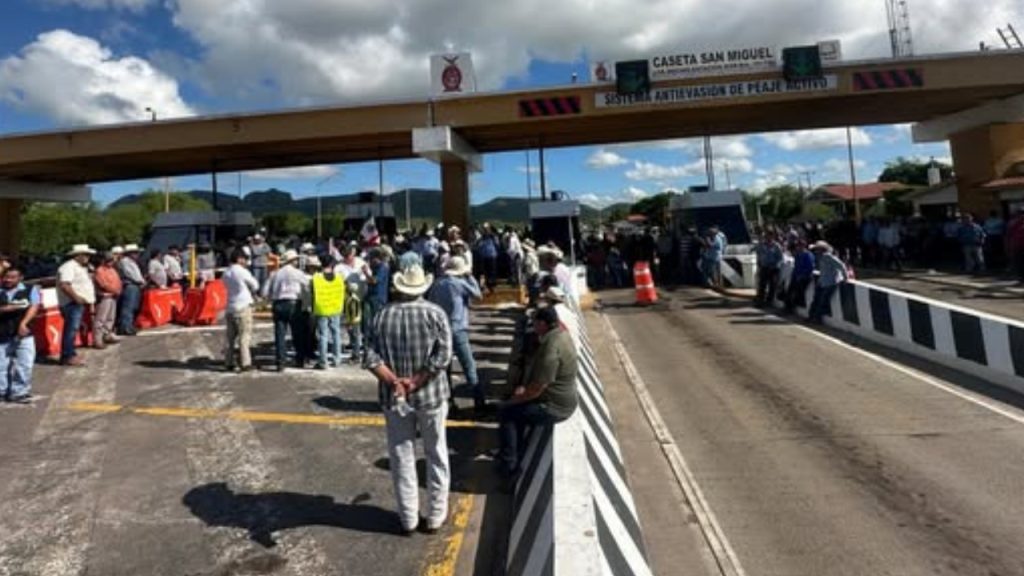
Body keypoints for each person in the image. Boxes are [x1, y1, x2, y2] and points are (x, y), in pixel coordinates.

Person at [363, 264, 452, 535]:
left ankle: (408, 519)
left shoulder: (381, 316)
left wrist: (395, 382)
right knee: (436, 454)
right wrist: (415, 381)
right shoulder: (435, 314)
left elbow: (369, 357)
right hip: (431, 395)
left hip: (394, 397)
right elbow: (443, 357)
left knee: (401, 456)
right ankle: (436, 515)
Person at [496, 306, 578, 485]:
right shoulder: (561, 333)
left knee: (507, 414)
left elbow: (537, 389)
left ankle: (509, 469)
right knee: (515, 410)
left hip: (554, 407)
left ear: (542, 324)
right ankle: (515, 453)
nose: (533, 326)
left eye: (535, 323)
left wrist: (513, 400)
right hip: (559, 399)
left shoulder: (550, 349)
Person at [428, 256, 485, 411]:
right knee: (469, 366)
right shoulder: (460, 284)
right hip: (458, 328)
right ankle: (479, 403)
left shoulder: (437, 284)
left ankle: (449, 402)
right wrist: (470, 276)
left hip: (440, 330)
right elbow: (478, 295)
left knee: (444, 368)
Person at [263, 250, 308, 371]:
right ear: (293, 260)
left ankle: (280, 362)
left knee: (280, 334)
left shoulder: (275, 274)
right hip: (294, 303)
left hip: (278, 303)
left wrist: (270, 298)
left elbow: (265, 291)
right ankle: (300, 359)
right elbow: (307, 285)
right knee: (297, 333)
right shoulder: (298, 273)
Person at [1, 265, 41, 403]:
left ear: (20, 278)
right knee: (1, 365)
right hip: (3, 333)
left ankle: (20, 392)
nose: (8, 280)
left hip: (24, 334)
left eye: (12, 277)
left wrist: (24, 323)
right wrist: (10, 308)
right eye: (6, 277)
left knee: (24, 364)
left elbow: (34, 306)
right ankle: (2, 391)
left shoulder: (30, 289)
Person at [57, 244, 97, 367]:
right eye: (84, 254)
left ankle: (71, 353)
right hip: (71, 303)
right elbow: (65, 285)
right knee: (71, 330)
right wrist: (77, 298)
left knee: (73, 329)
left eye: (88, 255)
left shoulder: (81, 267)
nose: (87, 257)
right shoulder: (68, 267)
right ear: (77, 255)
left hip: (77, 302)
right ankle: (67, 355)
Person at [223, 249, 259, 372]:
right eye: (244, 258)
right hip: (243, 305)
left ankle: (228, 361)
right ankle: (245, 362)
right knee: (244, 336)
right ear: (239, 259)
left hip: (230, 306)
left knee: (230, 337)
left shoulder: (226, 272)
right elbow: (255, 285)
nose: (245, 261)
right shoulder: (242, 271)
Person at [311, 256, 346, 370]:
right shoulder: (339, 278)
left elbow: (312, 292)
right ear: (332, 265)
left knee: (323, 335)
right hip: (335, 308)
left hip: (322, 309)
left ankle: (323, 361)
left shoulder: (316, 278)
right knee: (336, 334)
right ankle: (337, 359)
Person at [808, 241, 849, 324]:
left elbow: (841, 265)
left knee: (822, 301)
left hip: (830, 283)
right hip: (822, 282)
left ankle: (817, 318)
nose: (815, 251)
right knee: (816, 300)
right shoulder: (820, 258)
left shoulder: (828, 257)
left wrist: (845, 277)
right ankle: (812, 316)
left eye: (816, 250)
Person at [92, 251, 123, 349]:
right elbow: (103, 284)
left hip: (113, 296)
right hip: (105, 296)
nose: (111, 262)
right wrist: (115, 290)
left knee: (111, 317)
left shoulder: (112, 270)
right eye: (109, 260)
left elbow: (118, 281)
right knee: (101, 318)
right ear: (103, 260)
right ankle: (98, 339)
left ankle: (108, 335)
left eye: (111, 260)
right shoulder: (99, 270)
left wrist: (118, 289)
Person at [363, 248, 390, 349]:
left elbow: (374, 281)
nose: (369, 261)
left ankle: (378, 345)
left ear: (377, 258)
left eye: (371, 259)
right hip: (370, 296)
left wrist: (366, 273)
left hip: (378, 298)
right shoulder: (374, 267)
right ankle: (368, 344)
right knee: (367, 322)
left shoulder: (383, 267)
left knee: (377, 322)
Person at [117, 244, 145, 335]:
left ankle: (129, 325)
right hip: (130, 285)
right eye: (135, 253)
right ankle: (125, 327)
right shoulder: (125, 261)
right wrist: (140, 281)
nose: (137, 255)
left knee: (133, 307)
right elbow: (130, 274)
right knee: (128, 307)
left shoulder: (132, 262)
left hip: (135, 285)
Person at [785, 240, 815, 313]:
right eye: (797, 246)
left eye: (800, 246)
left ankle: (792, 308)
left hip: (804, 276)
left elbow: (810, 267)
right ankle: (787, 307)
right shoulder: (797, 255)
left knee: (797, 292)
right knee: (789, 291)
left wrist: (802, 275)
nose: (798, 247)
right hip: (796, 275)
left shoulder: (808, 255)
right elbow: (796, 266)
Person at [755, 232, 784, 306]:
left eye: (770, 236)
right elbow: (758, 254)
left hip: (773, 268)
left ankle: (769, 302)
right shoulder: (761, 245)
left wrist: (776, 265)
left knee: (772, 286)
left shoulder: (776, 246)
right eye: (767, 236)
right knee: (762, 285)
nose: (768, 238)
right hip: (764, 267)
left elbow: (780, 258)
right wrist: (759, 263)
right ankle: (760, 301)